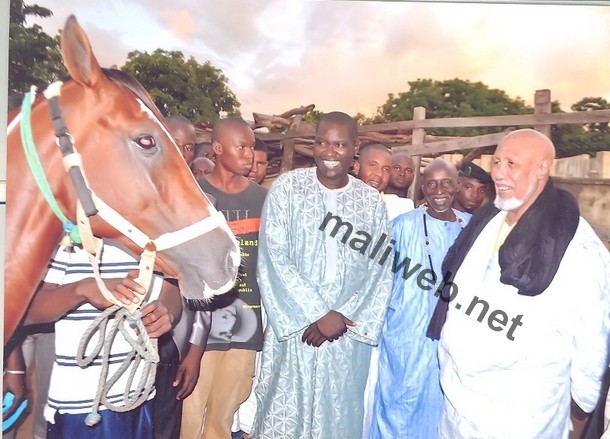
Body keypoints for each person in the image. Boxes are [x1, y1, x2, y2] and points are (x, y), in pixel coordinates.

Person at [426, 129, 610, 438]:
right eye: (497, 161)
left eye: (512, 163)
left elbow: (592, 341)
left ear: (542, 169)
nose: (498, 172)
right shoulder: (488, 220)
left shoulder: (577, 246)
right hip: (458, 408)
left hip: (521, 418)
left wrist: (581, 411)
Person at [252, 111, 393, 438]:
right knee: (285, 415)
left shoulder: (370, 202)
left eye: (340, 145)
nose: (330, 153)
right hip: (296, 328)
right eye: (322, 143)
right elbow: (274, 255)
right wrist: (316, 313)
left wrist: (341, 316)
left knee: (338, 418)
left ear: (354, 147)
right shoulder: (287, 188)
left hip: (346, 334)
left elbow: (380, 268)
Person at [24, 242, 180, 438]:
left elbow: (170, 290)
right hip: (84, 405)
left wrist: (167, 313)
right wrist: (81, 290)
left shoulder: (156, 235)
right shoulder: (70, 237)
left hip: (140, 396)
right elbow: (31, 311)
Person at [368, 159, 470, 438]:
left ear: (457, 186)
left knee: (445, 408)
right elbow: (376, 281)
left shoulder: (472, 230)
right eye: (432, 184)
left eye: (446, 183)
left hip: (455, 338)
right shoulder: (400, 227)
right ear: (422, 188)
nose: (439, 190)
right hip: (406, 337)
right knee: (400, 407)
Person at [181, 118, 267, 439]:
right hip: (197, 327)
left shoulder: (263, 200)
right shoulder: (193, 196)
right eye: (240, 146)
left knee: (223, 418)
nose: (248, 154)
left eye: (251, 146)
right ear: (217, 149)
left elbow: (270, 266)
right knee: (188, 416)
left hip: (246, 323)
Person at [383, 150, 416, 217]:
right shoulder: (373, 200)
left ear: (413, 176)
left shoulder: (411, 207)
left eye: (408, 171)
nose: (402, 173)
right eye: (397, 168)